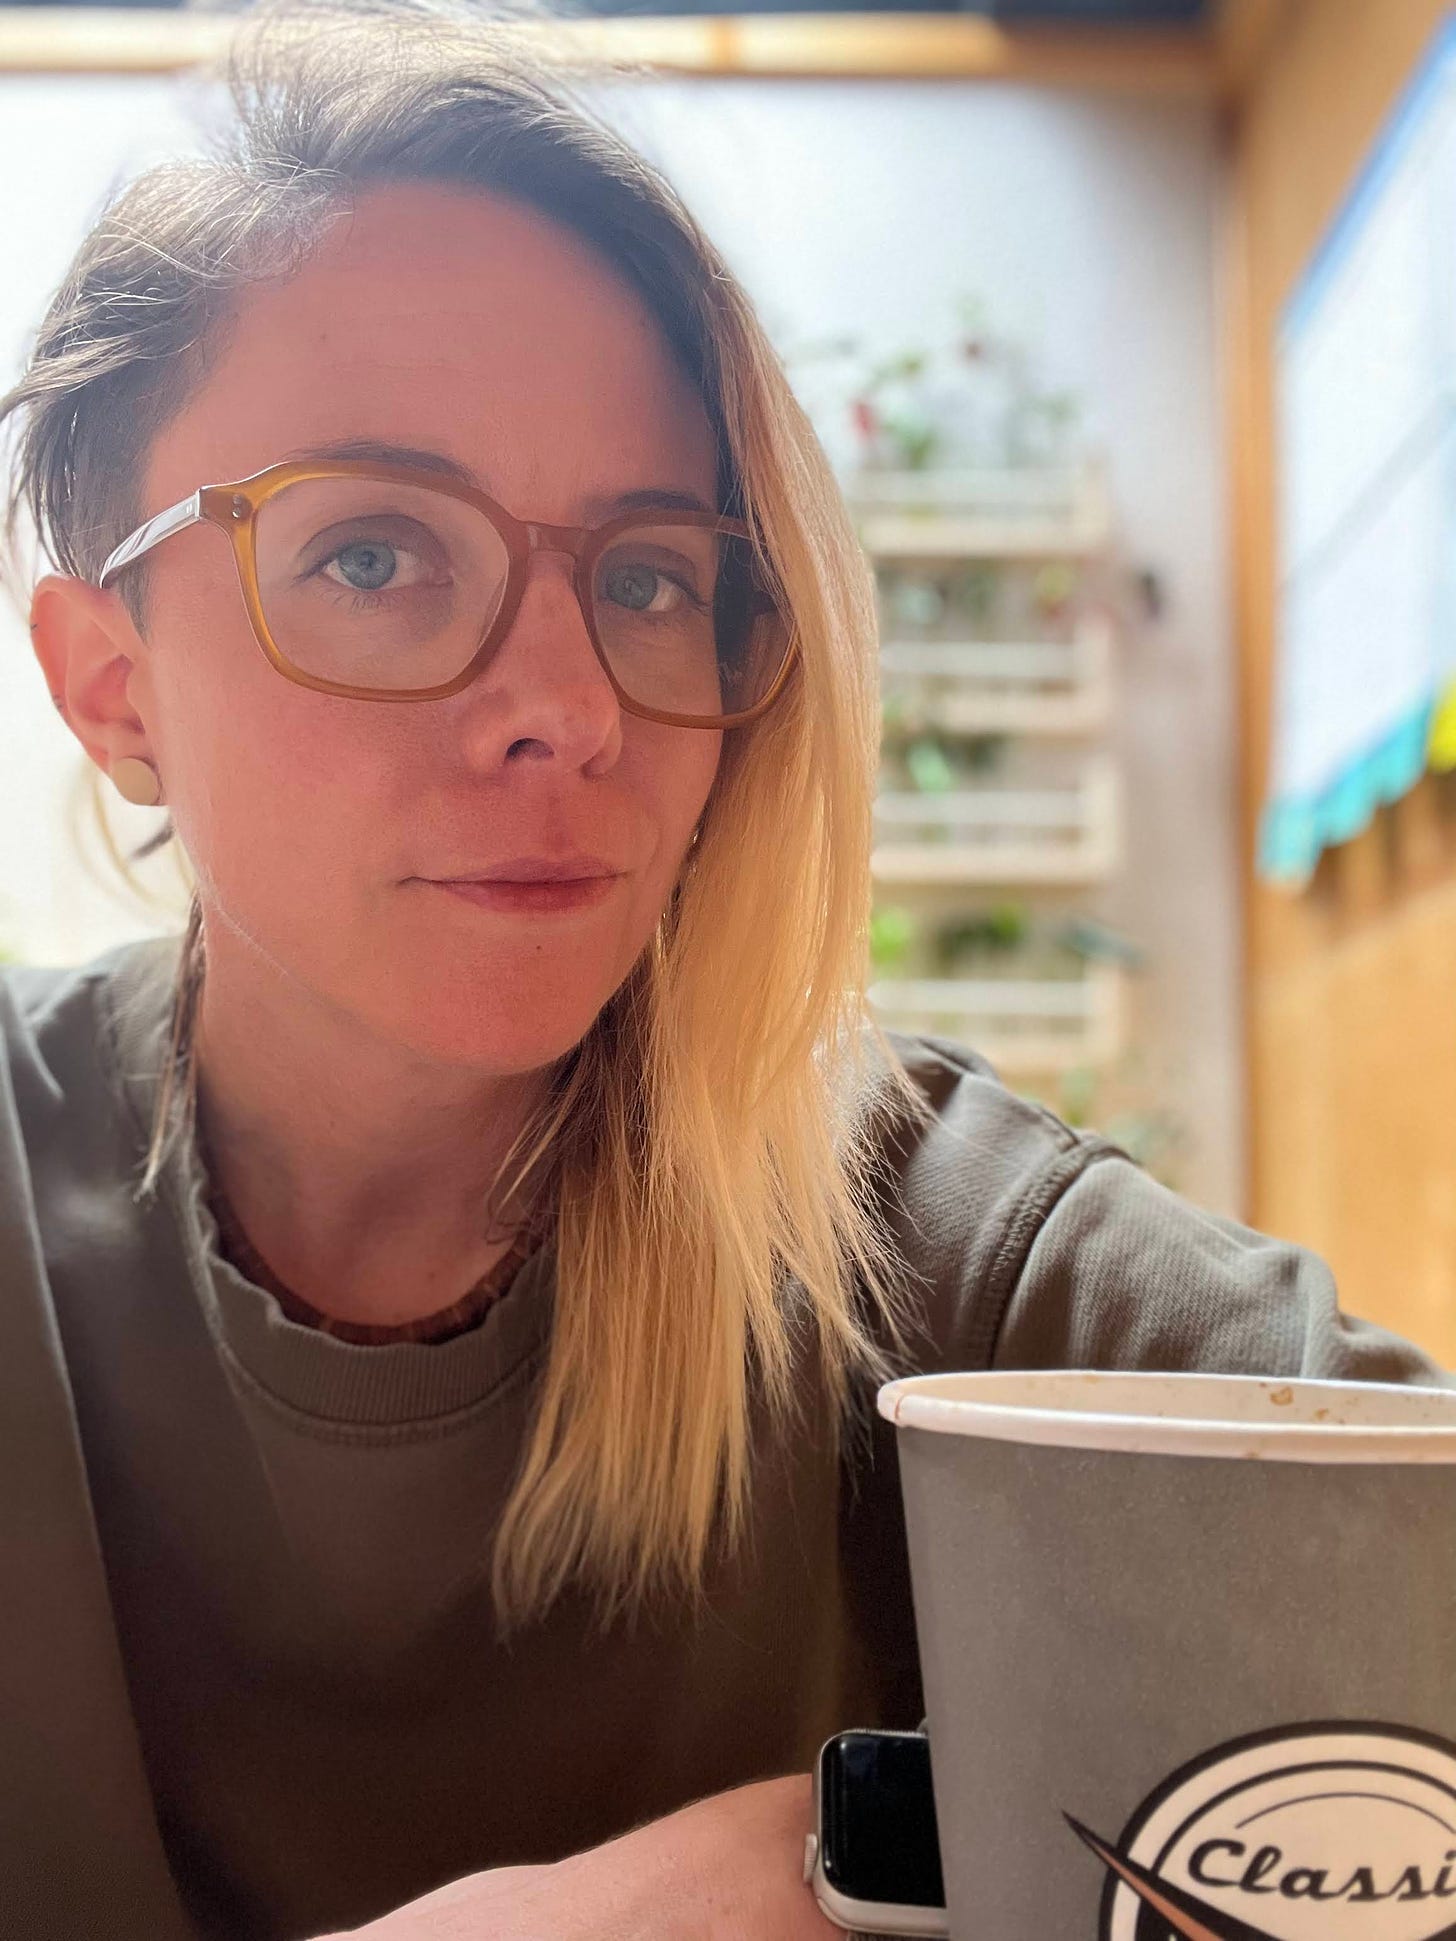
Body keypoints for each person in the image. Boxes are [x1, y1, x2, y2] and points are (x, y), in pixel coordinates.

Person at [0, 1, 1446, 1935]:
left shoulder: (920, 1228)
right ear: (114, 688)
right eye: (371, 554)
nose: (569, 707)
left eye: (654, 575)